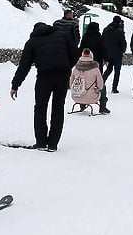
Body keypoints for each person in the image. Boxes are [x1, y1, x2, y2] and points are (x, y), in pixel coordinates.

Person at [10, 21, 80, 151]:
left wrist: (15, 85)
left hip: (44, 76)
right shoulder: (62, 36)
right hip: (62, 75)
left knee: (40, 108)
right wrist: (66, 66)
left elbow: (24, 66)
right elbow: (76, 53)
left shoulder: (32, 42)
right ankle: (53, 144)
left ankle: (41, 142)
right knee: (58, 108)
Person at [79, 21, 110, 114]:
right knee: (100, 83)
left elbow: (81, 49)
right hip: (96, 64)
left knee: (83, 82)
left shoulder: (85, 37)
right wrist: (106, 59)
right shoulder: (100, 38)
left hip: (84, 64)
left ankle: (82, 102)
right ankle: (103, 105)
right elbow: (103, 49)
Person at [102, 16, 127, 93]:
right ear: (119, 22)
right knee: (117, 71)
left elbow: (102, 40)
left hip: (108, 53)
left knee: (109, 69)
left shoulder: (106, 29)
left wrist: (104, 52)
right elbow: (123, 43)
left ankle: (101, 83)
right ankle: (114, 88)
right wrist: (123, 50)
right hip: (117, 54)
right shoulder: (119, 31)